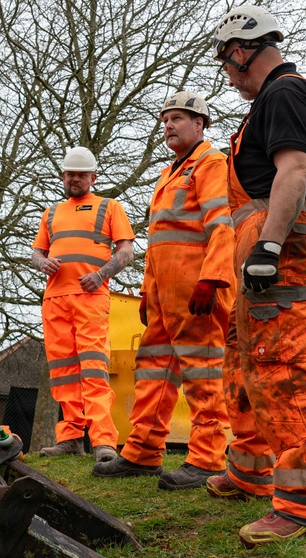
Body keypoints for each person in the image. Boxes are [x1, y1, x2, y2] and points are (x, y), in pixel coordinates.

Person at [207, 6, 306, 547]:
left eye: (226, 64)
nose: (227, 76)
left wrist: (268, 245)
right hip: (263, 243)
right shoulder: (270, 101)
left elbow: (294, 169)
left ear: (241, 52)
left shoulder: (284, 92)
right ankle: (252, 469)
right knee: (246, 355)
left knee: (279, 359)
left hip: (277, 242)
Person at [93, 92, 236, 490]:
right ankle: (142, 452)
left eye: (177, 118)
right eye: (165, 120)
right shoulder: (170, 173)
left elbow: (222, 225)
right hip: (164, 298)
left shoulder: (210, 163)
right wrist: (147, 291)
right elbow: (160, 242)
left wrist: (213, 279)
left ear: (200, 124)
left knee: (203, 375)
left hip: (196, 293)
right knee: (153, 374)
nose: (168, 125)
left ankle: (207, 459)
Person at [31, 147, 135, 461]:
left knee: (93, 368)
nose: (74, 179)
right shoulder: (51, 213)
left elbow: (127, 251)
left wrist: (101, 275)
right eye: (70, 174)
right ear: (63, 176)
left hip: (91, 298)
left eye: (81, 174)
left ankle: (103, 441)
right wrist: (42, 263)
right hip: (55, 301)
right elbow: (36, 252)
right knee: (63, 373)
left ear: (93, 177)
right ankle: (70, 438)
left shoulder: (109, 207)